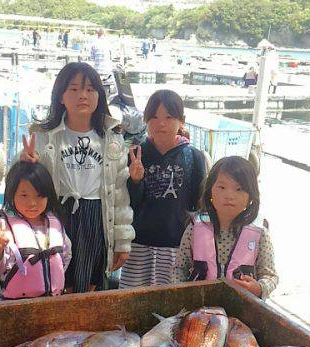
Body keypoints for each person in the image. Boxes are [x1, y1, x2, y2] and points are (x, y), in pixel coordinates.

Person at [20, 62, 134, 293]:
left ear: (99, 97)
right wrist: (24, 164)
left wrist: (122, 242)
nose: (82, 95)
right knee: (55, 280)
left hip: (98, 217)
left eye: (90, 89)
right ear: (60, 96)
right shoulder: (44, 137)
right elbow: (18, 184)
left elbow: (121, 196)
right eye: (73, 89)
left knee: (91, 284)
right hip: (57, 215)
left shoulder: (112, 139)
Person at [119, 89, 206, 289]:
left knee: (170, 307)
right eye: (154, 117)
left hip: (176, 247)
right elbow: (128, 204)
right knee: (132, 305)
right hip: (138, 245)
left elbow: (197, 206)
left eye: (169, 117)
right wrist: (135, 181)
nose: (161, 123)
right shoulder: (135, 154)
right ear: (146, 120)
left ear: (181, 120)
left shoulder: (193, 157)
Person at [173, 155, 278, 299]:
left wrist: (259, 288)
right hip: (201, 309)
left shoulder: (259, 234)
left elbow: (270, 275)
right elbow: (179, 267)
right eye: (222, 187)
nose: (229, 195)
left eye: (239, 189)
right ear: (210, 191)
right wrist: (180, 294)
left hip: (242, 310)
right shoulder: (194, 229)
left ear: (251, 196)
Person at [0, 162, 71, 304]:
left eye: (39, 196)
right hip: (16, 305)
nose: (32, 203)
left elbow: (65, 256)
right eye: (24, 195)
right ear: (13, 195)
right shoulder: (4, 229)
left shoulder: (55, 225)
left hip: (51, 303)